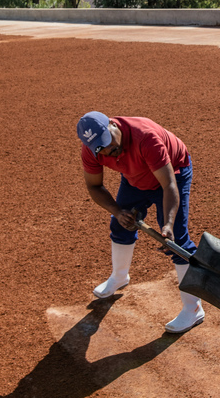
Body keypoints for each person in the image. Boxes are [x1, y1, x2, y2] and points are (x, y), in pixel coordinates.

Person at [76, 111, 204, 334]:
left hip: (172, 173)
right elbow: (94, 187)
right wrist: (117, 211)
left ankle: (193, 309)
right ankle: (119, 276)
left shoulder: (146, 138)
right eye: (100, 148)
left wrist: (168, 224)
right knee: (120, 225)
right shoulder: (92, 150)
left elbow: (169, 186)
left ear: (113, 125)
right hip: (134, 177)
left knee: (178, 243)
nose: (107, 151)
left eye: (108, 143)